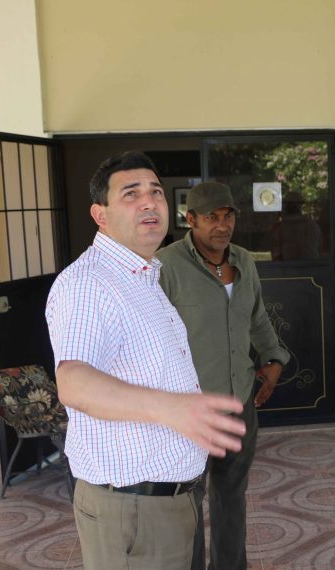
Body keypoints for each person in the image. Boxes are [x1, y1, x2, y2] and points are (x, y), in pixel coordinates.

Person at [45, 151, 246, 570]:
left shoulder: (143, 275)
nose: (149, 202)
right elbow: (74, 383)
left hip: (164, 501)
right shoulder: (90, 284)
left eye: (155, 192)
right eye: (131, 194)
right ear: (100, 215)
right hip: (132, 510)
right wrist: (171, 409)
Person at [156, 181, 289, 570]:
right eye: (211, 217)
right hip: (191, 409)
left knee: (231, 496)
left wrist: (274, 358)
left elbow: (257, 317)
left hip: (239, 401)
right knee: (189, 502)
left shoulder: (243, 261)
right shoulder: (165, 267)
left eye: (228, 216)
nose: (222, 225)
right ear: (191, 219)